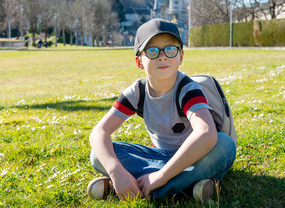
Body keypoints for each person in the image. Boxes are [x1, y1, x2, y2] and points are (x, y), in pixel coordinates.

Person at [88, 18, 236, 202]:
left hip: (194, 156)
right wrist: (116, 171)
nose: (162, 56)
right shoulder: (137, 92)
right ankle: (190, 188)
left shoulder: (187, 89)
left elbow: (206, 133)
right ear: (139, 61)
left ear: (181, 56)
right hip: (159, 158)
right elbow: (98, 133)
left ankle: (140, 189)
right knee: (98, 155)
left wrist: (161, 176)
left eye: (170, 49)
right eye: (152, 51)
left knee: (224, 145)